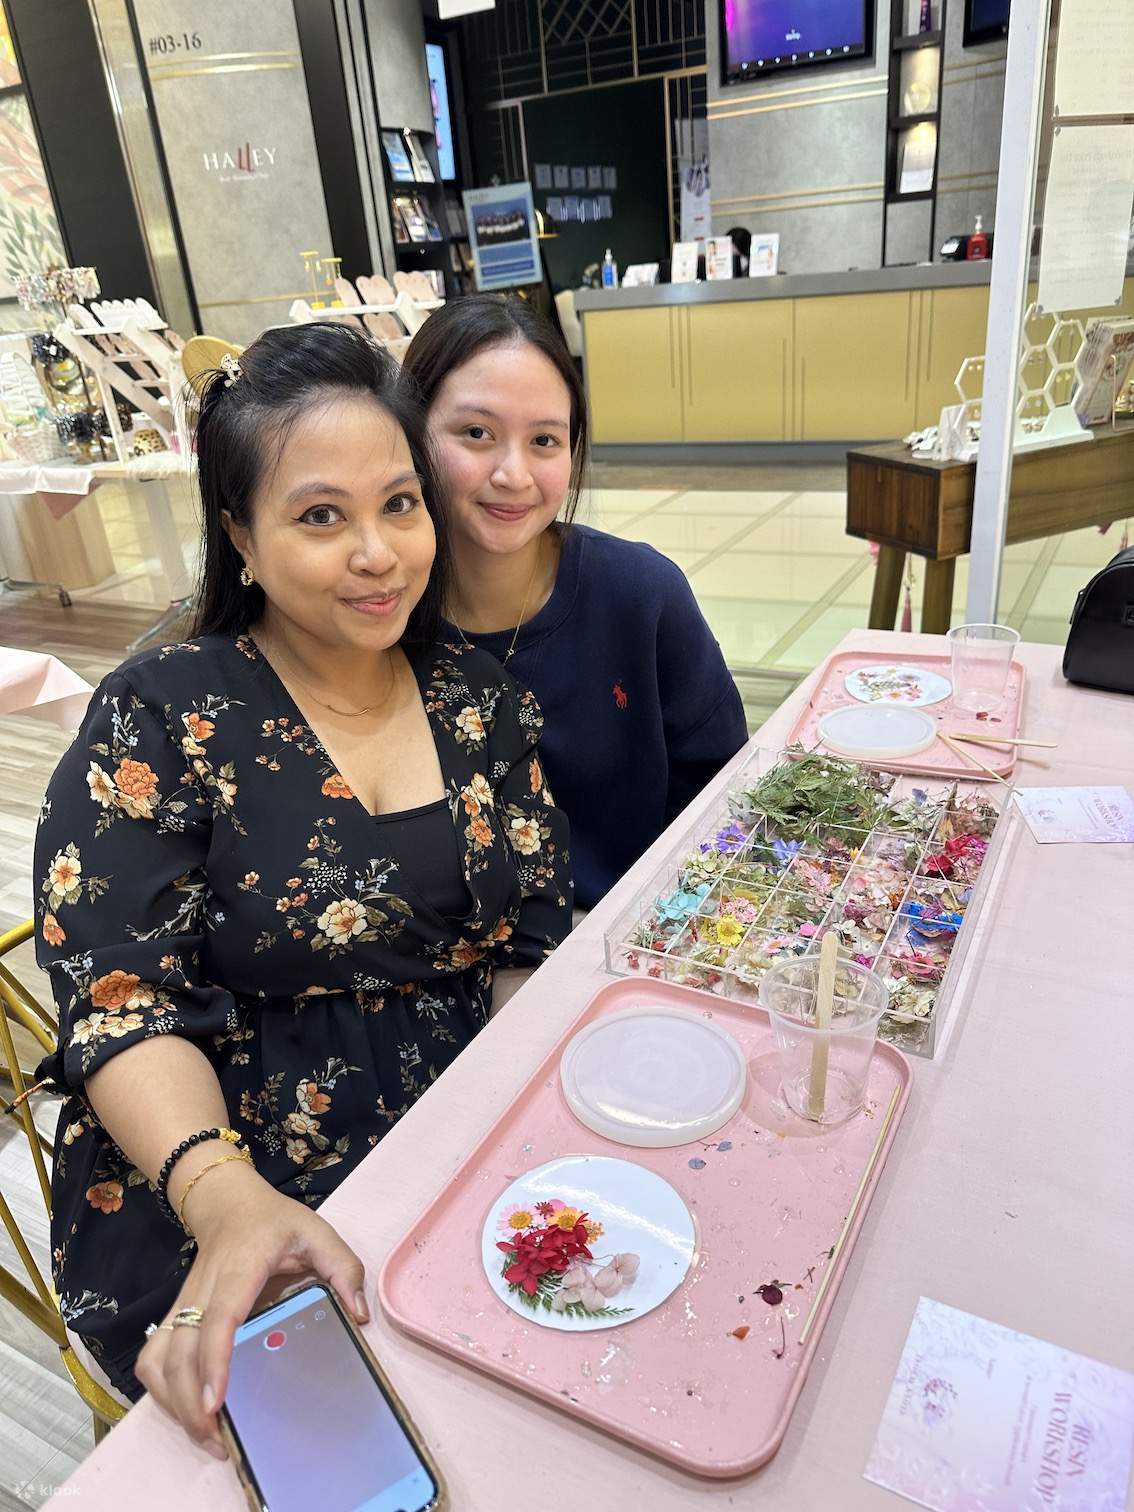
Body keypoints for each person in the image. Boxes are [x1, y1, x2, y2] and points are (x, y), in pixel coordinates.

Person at [32, 323, 571, 1452]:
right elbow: (123, 1001)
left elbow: (526, 940)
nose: (378, 553)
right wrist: (223, 1200)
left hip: (451, 1130)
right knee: (330, 1452)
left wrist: (518, 1131)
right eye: (320, 515)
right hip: (218, 1160)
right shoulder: (160, 714)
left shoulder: (481, 704)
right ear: (241, 534)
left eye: (400, 504)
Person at [401, 295, 747, 909]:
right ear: (411, 430)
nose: (514, 474)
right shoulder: (382, 617)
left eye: (544, 440)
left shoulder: (641, 595)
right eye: (476, 433)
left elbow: (722, 792)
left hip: (636, 938)